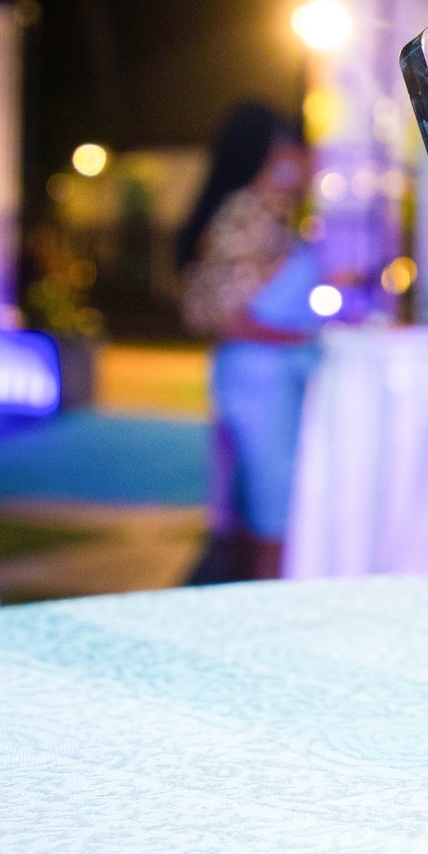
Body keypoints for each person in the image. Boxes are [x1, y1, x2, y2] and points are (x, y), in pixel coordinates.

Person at [176, 102, 319, 581]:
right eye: (302, 151)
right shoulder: (249, 216)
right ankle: (265, 599)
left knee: (256, 502)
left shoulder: (272, 216)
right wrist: (308, 337)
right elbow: (228, 317)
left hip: (261, 376)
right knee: (271, 507)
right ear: (277, 155)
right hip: (257, 379)